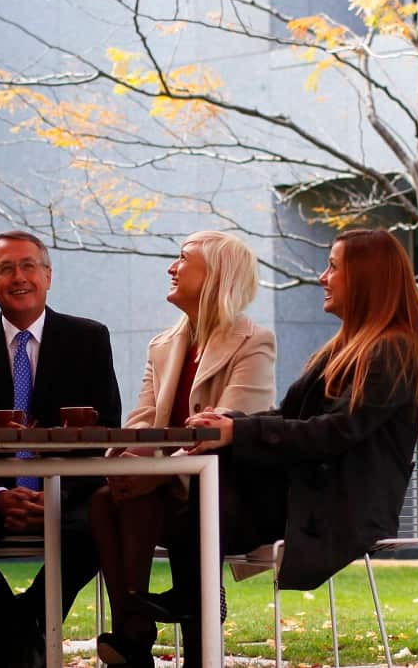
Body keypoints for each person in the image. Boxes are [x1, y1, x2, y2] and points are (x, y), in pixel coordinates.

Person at [157, 228, 418, 667]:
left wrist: (235, 435)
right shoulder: (347, 349)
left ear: (366, 278)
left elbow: (335, 432)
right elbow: (292, 417)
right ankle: (190, 610)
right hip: (312, 491)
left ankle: (189, 604)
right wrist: (231, 424)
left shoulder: (394, 352)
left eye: (334, 267)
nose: (323, 277)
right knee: (184, 504)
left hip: (343, 506)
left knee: (196, 503)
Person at [0, 231, 121, 668]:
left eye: (28, 266)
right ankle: (22, 640)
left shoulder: (88, 337)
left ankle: (12, 636)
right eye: (6, 269)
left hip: (70, 490)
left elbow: (107, 429)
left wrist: (55, 492)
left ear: (48, 275)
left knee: (93, 532)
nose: (19, 277)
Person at [90, 231, 276, 667]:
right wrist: (125, 467)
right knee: (103, 501)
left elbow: (227, 429)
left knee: (136, 502)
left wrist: (152, 473)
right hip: (164, 487)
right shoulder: (163, 345)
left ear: (214, 275)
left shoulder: (254, 342)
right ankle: (134, 630)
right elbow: (139, 423)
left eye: (182, 259)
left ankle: (139, 634)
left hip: (226, 493)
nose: (171, 268)